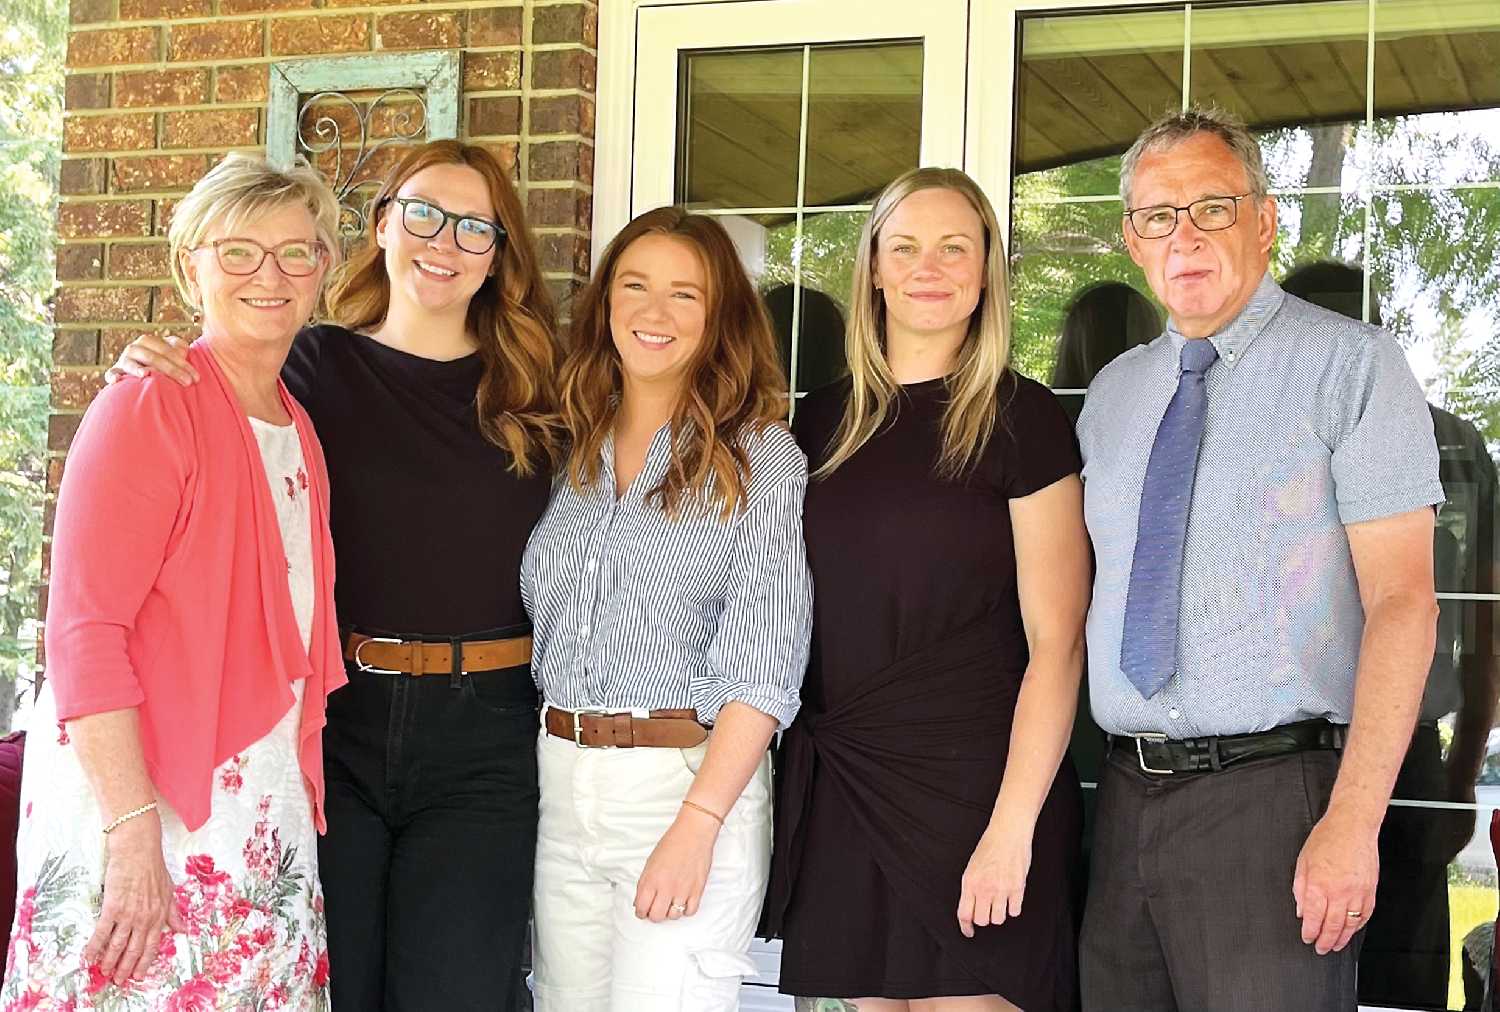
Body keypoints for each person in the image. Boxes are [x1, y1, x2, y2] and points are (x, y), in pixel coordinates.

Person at [104, 139, 560, 1010]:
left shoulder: (540, 391)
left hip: (485, 737)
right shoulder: (311, 367)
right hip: (333, 727)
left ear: (500, 254)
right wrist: (142, 370)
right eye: (423, 212)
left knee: (456, 992)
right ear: (383, 225)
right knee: (330, 985)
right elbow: (207, 398)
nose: (444, 241)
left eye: (475, 227)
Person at [1076, 107, 1443, 1012]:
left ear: (1266, 218)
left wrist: (1353, 823)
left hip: (1275, 800)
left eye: (1213, 205)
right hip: (1121, 795)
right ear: (1132, 239)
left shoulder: (1351, 367)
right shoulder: (1112, 398)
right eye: (1159, 214)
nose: (1185, 235)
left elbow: (1404, 603)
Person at [2, 153, 344, 1006]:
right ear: (190, 263)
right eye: (237, 251)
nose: (269, 275)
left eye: (295, 251)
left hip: (256, 810)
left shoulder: (297, 428)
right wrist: (129, 834)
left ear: (324, 270)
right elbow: (85, 633)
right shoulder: (148, 406)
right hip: (139, 807)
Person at [763, 166, 1090, 1012]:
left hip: (982, 787)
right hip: (848, 777)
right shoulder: (817, 422)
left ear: (986, 273)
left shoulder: (1026, 418)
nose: (929, 266)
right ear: (873, 267)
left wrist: (1012, 828)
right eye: (905, 247)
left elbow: (1059, 642)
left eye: (956, 247)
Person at [521, 206, 813, 1011]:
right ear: (605, 302)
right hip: (561, 781)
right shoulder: (568, 446)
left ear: (719, 318)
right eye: (635, 286)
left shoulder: (757, 457)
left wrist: (699, 826)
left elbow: (765, 667)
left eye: (685, 295)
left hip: (683, 784)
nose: (654, 313)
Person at [1282, 259, 1500, 1010]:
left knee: (1397, 975)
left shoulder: (1456, 445)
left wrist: (1462, 773)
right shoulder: (1259, 445)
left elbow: (1481, 617)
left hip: (1402, 745)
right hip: (1281, 755)